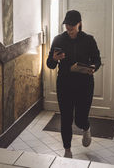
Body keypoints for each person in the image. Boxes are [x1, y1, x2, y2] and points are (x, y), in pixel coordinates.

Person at [46, 10, 101, 158]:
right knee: (66, 118)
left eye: (72, 25)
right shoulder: (58, 40)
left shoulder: (89, 40)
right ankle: (67, 150)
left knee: (80, 118)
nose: (69, 28)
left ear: (79, 24)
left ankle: (86, 127)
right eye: (67, 25)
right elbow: (50, 65)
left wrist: (94, 67)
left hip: (85, 84)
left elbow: (97, 60)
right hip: (65, 84)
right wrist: (54, 58)